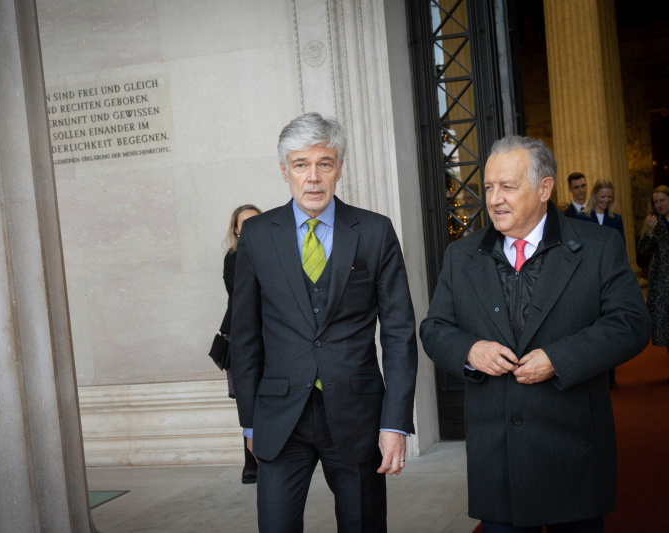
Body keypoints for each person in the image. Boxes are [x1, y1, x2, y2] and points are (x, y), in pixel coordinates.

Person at [419, 135, 650, 533]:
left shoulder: (598, 246)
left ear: (545, 189)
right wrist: (470, 350)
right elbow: (434, 328)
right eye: (489, 187)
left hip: (573, 452)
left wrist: (559, 359)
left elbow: (631, 323)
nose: (494, 199)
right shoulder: (461, 255)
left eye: (507, 187)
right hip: (497, 459)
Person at [230, 112, 418, 532]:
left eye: (324, 164)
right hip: (280, 417)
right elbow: (244, 337)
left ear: (339, 168)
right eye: (301, 165)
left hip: (357, 415)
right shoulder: (257, 235)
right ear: (285, 171)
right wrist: (250, 421)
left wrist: (395, 422)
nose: (313, 177)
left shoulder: (375, 231)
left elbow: (399, 334)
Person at [220, 204, 262, 483]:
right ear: (235, 230)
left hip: (271, 333)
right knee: (248, 397)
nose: (250, 228)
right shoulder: (233, 257)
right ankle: (251, 464)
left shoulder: (275, 252)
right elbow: (243, 296)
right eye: (244, 223)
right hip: (242, 336)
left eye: (256, 221)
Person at [577, 179, 625, 388]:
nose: (606, 200)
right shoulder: (581, 218)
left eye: (609, 197)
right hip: (588, 278)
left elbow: (621, 248)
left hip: (609, 278)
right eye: (603, 196)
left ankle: (610, 378)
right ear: (595, 195)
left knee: (608, 327)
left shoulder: (616, 219)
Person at [638, 185, 669, 367]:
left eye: (662, 200)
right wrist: (649, 233)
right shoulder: (652, 222)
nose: (659, 204)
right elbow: (642, 255)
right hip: (662, 285)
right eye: (656, 202)